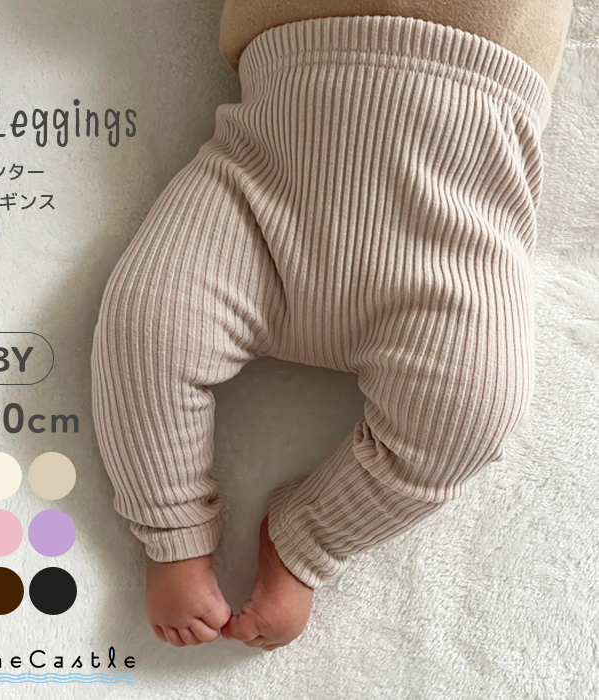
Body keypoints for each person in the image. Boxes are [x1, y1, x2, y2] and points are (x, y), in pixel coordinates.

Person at [91, 0, 574, 651]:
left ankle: (306, 541)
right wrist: (169, 528)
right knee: (147, 326)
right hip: (263, 183)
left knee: (474, 410)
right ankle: (172, 528)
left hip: (456, 229)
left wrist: (316, 544)